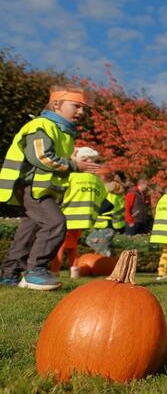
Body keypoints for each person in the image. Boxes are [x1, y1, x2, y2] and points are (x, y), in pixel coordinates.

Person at [0, 85, 100, 290]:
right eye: (76, 106)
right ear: (56, 104)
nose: (81, 112)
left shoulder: (63, 132)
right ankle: (36, 271)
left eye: (84, 109)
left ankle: (9, 275)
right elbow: (41, 157)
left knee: (28, 232)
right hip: (33, 189)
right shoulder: (42, 125)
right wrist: (74, 165)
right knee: (56, 223)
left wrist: (72, 162)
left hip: (41, 189)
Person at [53, 147, 107, 274]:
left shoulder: (72, 176)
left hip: (67, 217)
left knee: (59, 245)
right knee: (72, 246)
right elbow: (102, 196)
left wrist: (70, 161)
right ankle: (74, 272)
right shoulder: (97, 181)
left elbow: (59, 188)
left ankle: (54, 272)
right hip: (84, 220)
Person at [86, 170, 126, 256]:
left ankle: (109, 261)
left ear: (103, 178)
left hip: (109, 224)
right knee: (98, 244)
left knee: (97, 244)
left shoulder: (111, 193)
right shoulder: (113, 191)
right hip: (106, 224)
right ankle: (111, 259)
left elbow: (105, 207)